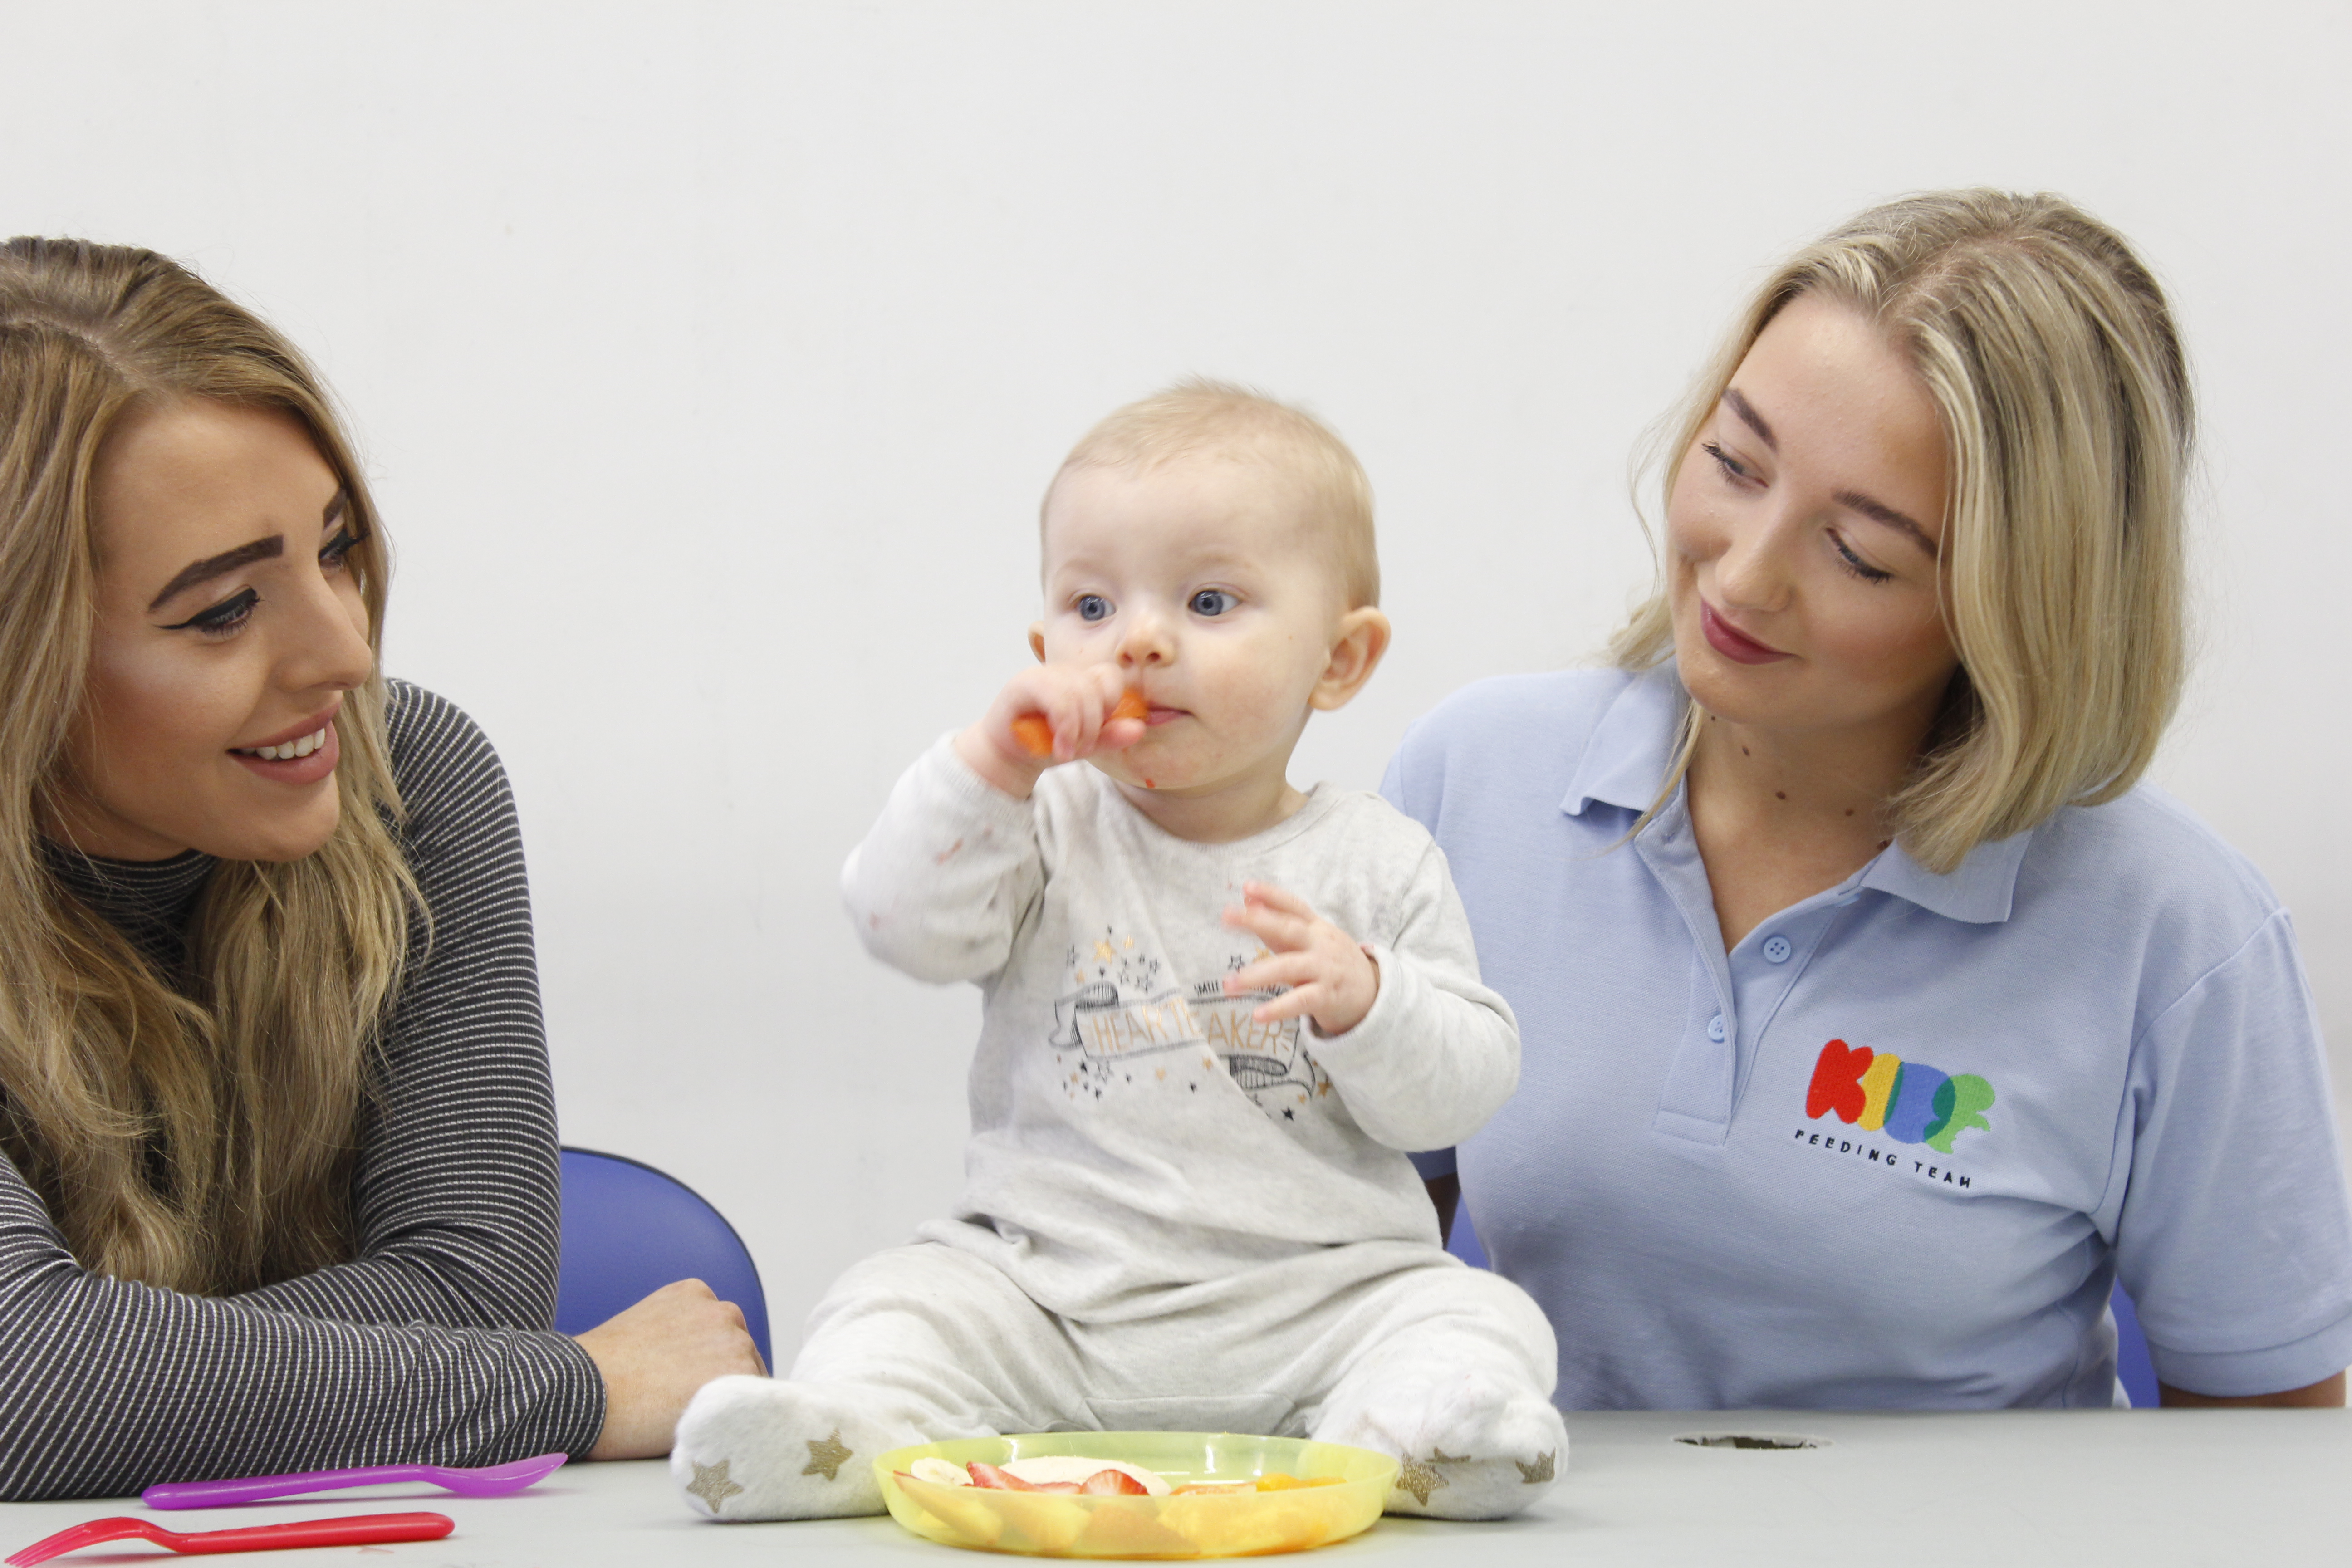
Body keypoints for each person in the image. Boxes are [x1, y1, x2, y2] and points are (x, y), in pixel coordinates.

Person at [1387, 190, 2352, 1410]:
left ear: (2014, 610)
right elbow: (1329, 1277)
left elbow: (2269, 1463)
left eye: (1862, 555)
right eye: (1735, 463)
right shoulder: (1472, 781)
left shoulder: (2180, 937)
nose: (1742, 575)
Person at [672, 382, 1563, 1522]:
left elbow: (1462, 1093)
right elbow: (902, 922)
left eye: (1207, 599)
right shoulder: (1037, 823)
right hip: (1049, 1298)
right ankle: (847, 1430)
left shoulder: (1378, 859)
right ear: (1045, 649)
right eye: (1093, 607)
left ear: (1338, 662)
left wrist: (1371, 1001)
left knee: (1481, 1319)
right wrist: (987, 766)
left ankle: (1422, 1434)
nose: (1139, 639)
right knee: (896, 1297)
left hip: (1323, 1304)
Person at [0, 238, 764, 1501]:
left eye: (336, 548)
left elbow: (471, 1291)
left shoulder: (409, 778)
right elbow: (30, 1386)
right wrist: (572, 1386)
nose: (346, 652)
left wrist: (132, 1372)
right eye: (224, 610)